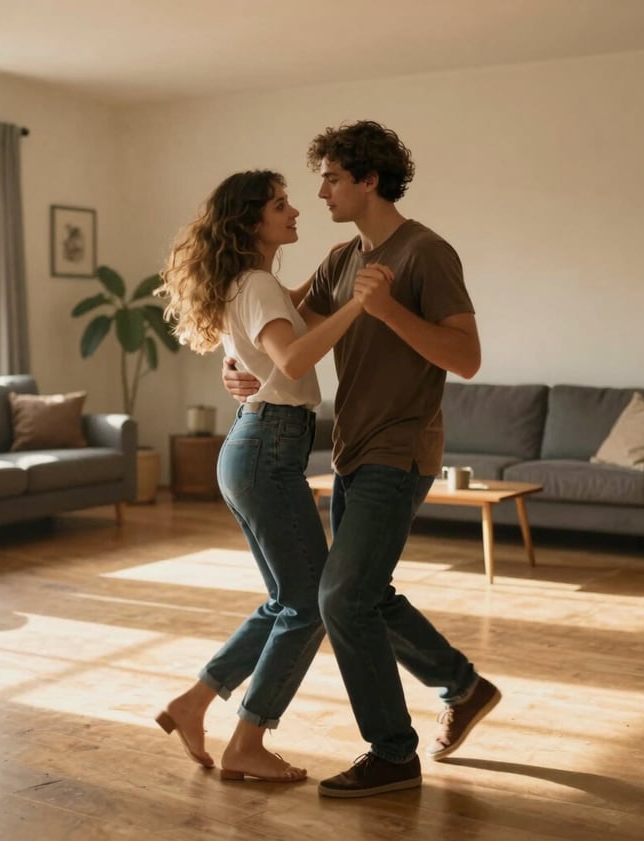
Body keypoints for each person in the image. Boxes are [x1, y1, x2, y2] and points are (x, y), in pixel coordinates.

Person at [223, 120, 500, 798]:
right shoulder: (344, 257)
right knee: (364, 592)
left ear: (368, 179)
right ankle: (462, 686)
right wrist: (235, 365)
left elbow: (465, 357)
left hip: (400, 448)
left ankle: (393, 752)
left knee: (340, 595)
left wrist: (386, 311)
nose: (320, 192)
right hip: (351, 449)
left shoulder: (427, 253)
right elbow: (276, 321)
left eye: (332, 178)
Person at [153, 169, 366, 784]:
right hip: (268, 450)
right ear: (251, 222)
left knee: (287, 599)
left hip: (253, 447)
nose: (295, 210)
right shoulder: (257, 286)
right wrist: (358, 302)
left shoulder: (254, 284)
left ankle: (194, 704)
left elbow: (281, 324)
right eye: (280, 205)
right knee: (310, 605)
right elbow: (295, 356)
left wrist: (322, 280)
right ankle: (248, 740)